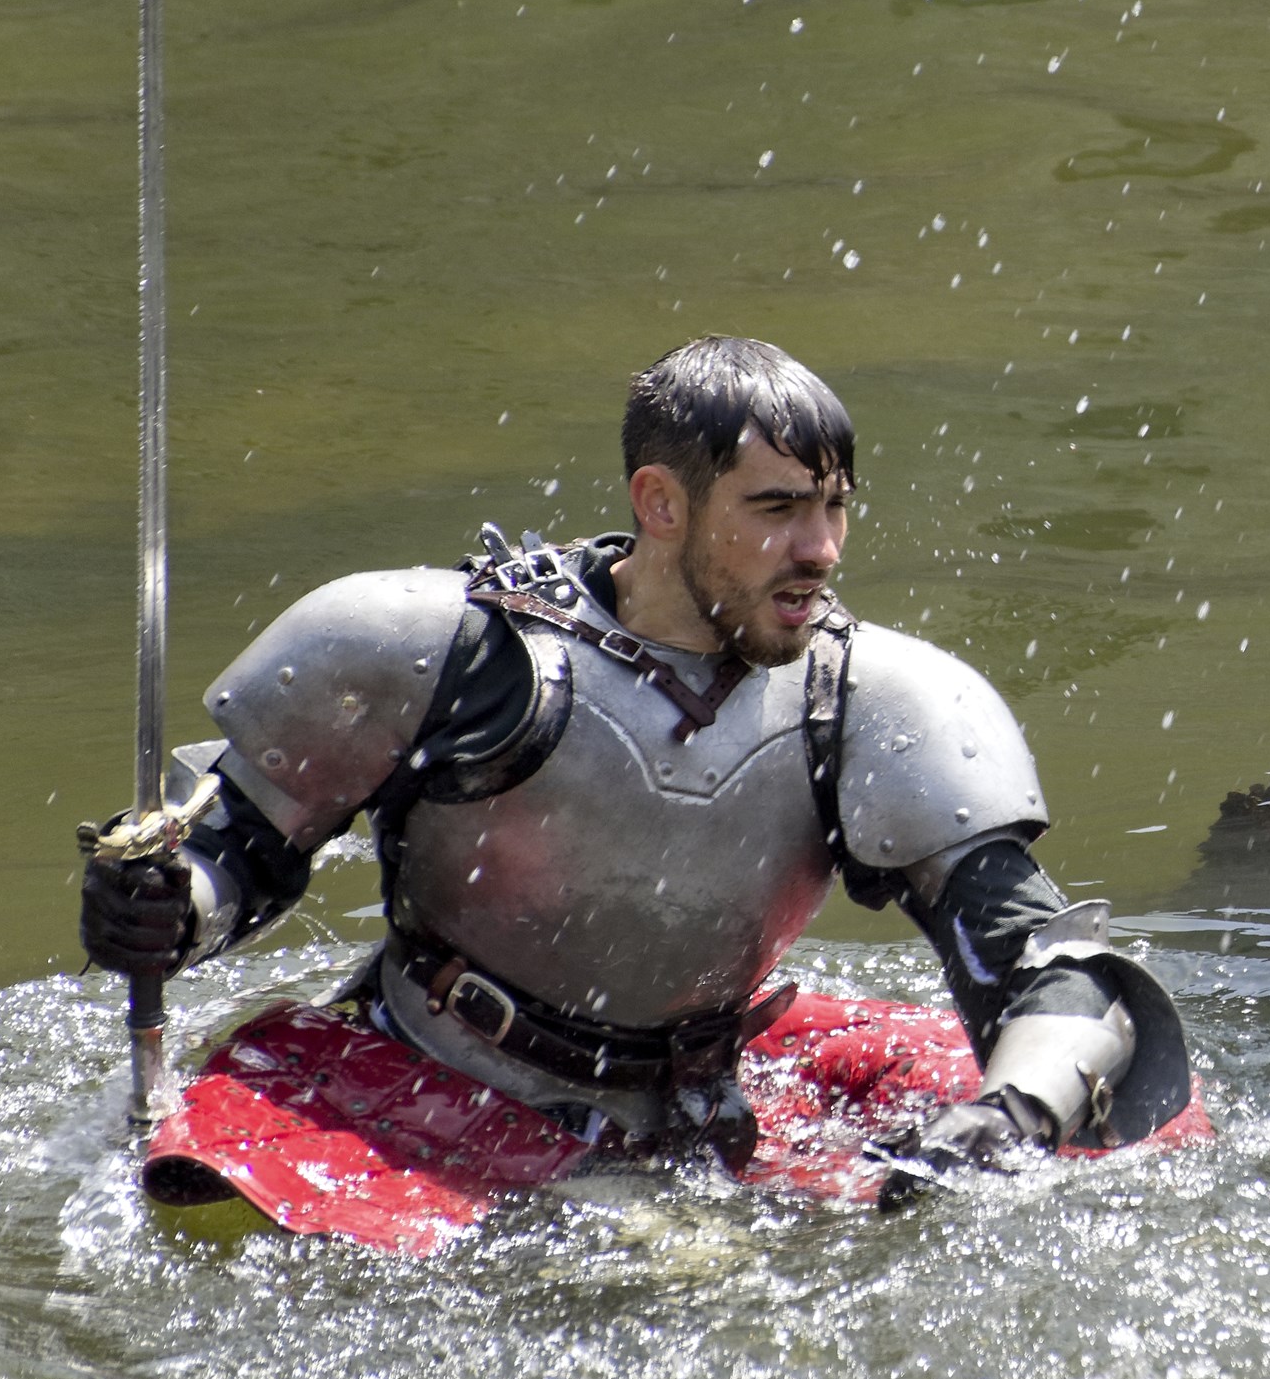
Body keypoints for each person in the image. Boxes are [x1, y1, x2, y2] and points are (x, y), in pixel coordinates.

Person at [81, 335, 1185, 1187]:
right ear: (661, 504)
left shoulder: (873, 701)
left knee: (1127, 1126)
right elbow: (238, 847)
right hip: (430, 1083)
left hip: (703, 1098)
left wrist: (1005, 1121)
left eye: (836, 507)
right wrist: (169, 905)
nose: (823, 551)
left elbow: (1057, 973)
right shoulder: (452, 653)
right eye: (778, 509)